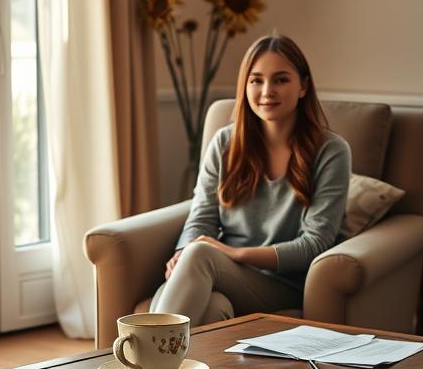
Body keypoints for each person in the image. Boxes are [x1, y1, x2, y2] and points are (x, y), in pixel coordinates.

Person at [149, 33, 351, 327]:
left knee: (200, 254)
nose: (267, 91)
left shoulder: (331, 151)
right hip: (227, 273)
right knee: (213, 307)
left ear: (303, 86)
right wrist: (183, 252)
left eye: (281, 79)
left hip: (285, 284)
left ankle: (140, 365)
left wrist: (235, 253)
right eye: (256, 80)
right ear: (245, 87)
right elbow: (202, 215)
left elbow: (315, 244)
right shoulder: (225, 143)